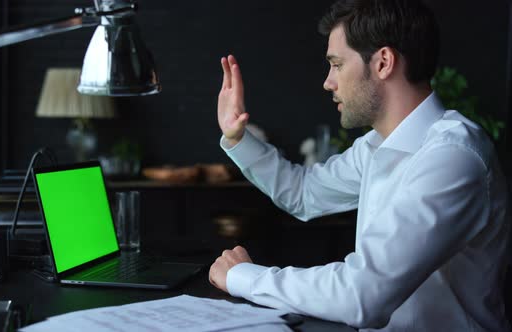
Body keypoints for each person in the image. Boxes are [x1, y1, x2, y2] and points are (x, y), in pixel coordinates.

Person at [210, 0, 511, 331]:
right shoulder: (375, 145)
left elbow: (363, 294)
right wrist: (237, 137)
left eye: (337, 65)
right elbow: (304, 193)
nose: (328, 82)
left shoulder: (453, 156)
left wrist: (244, 278)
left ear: (383, 62)